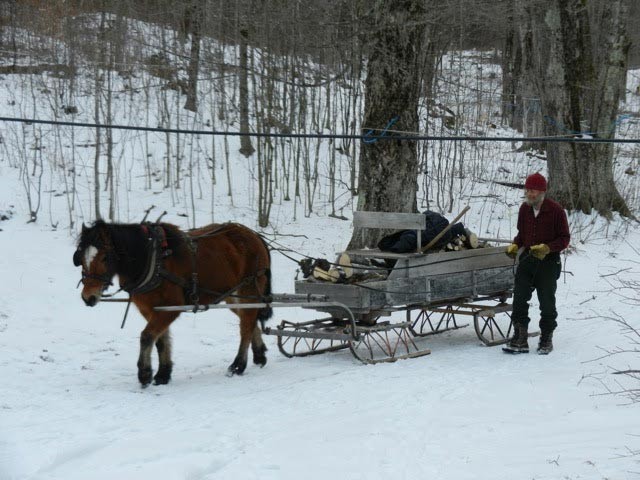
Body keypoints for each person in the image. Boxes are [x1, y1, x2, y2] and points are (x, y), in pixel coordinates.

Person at [503, 173, 570, 355]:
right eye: (527, 190)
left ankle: (546, 337)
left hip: (548, 263)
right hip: (527, 261)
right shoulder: (524, 209)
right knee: (519, 298)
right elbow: (521, 234)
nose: (529, 194)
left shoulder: (556, 211)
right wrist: (516, 245)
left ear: (542, 192)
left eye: (532, 190)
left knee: (547, 302)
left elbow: (565, 239)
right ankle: (520, 336)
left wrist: (548, 248)